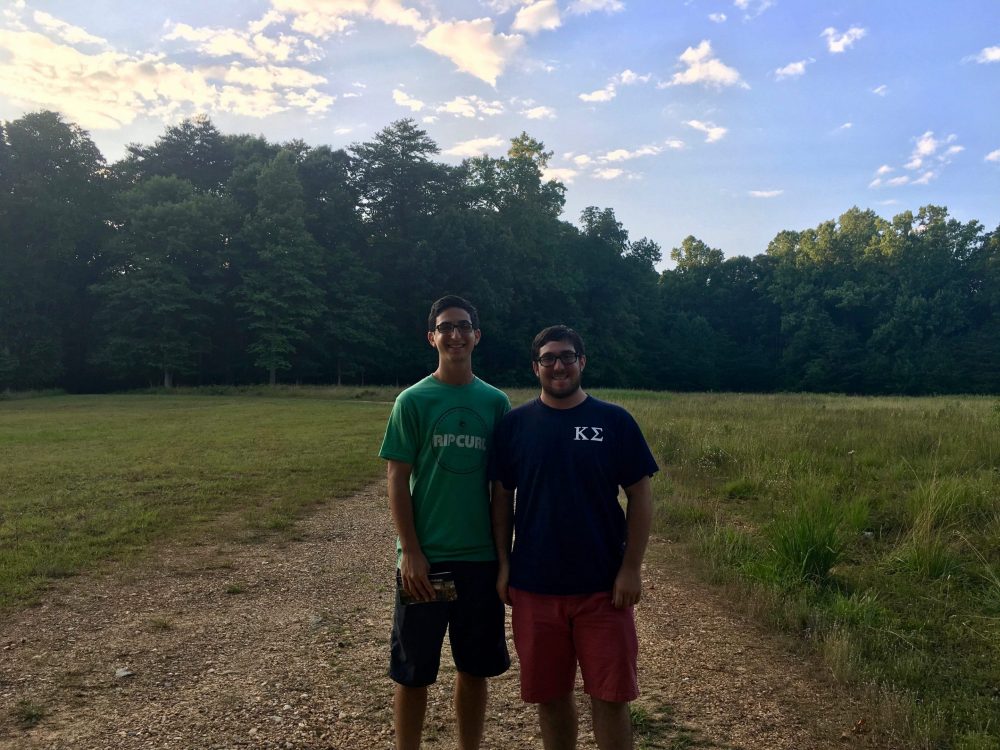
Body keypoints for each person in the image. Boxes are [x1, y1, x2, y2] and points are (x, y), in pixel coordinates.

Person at [490, 325, 658, 750]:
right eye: (548, 358)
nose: (558, 366)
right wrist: (505, 565)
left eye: (567, 356)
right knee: (550, 698)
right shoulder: (515, 425)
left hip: (603, 589)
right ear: (536, 367)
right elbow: (501, 499)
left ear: (582, 361)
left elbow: (640, 494)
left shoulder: (613, 421)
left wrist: (631, 568)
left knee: (611, 697)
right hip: (535, 586)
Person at [378, 295, 511, 750]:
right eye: (446, 327)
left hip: (479, 561)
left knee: (474, 669)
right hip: (427, 562)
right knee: (413, 672)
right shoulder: (413, 400)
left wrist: (503, 560)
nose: (456, 334)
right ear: (431, 337)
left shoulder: (495, 402)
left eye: (464, 326)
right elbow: (397, 478)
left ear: (477, 335)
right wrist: (411, 551)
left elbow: (501, 490)